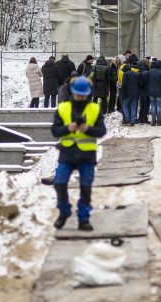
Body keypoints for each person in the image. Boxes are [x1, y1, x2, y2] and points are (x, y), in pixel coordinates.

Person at [50, 76, 106, 231]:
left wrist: (88, 129)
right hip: (67, 153)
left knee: (85, 188)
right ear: (72, 92)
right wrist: (69, 128)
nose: (80, 97)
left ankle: (84, 218)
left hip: (86, 155)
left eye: (83, 94)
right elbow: (55, 131)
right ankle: (64, 211)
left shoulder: (94, 109)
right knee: (60, 183)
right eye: (78, 94)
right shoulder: (63, 108)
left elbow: (102, 131)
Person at [119, 59, 141, 125]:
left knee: (125, 106)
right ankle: (133, 121)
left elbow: (124, 85)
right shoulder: (136, 74)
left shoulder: (125, 74)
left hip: (127, 94)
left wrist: (122, 94)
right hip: (135, 93)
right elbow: (139, 84)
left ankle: (127, 119)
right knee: (133, 107)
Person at [147, 59, 161, 126]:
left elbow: (147, 81)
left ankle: (153, 121)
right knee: (159, 106)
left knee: (152, 106)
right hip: (159, 91)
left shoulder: (150, 72)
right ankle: (159, 121)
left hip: (151, 91)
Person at [138, 57, 151, 125]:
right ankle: (145, 119)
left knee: (142, 106)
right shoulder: (147, 72)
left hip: (141, 91)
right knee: (146, 106)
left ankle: (140, 119)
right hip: (146, 91)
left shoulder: (139, 72)